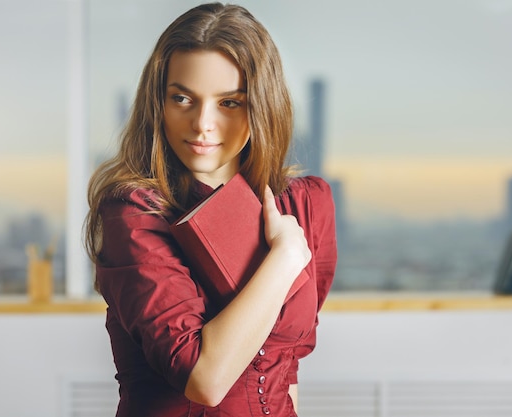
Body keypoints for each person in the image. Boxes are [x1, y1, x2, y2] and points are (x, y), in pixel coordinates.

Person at [84, 3, 337, 416]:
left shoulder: (306, 203)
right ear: (158, 104)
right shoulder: (134, 213)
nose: (202, 123)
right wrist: (287, 256)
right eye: (182, 98)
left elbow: (287, 368)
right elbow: (205, 379)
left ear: (262, 106)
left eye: (229, 103)